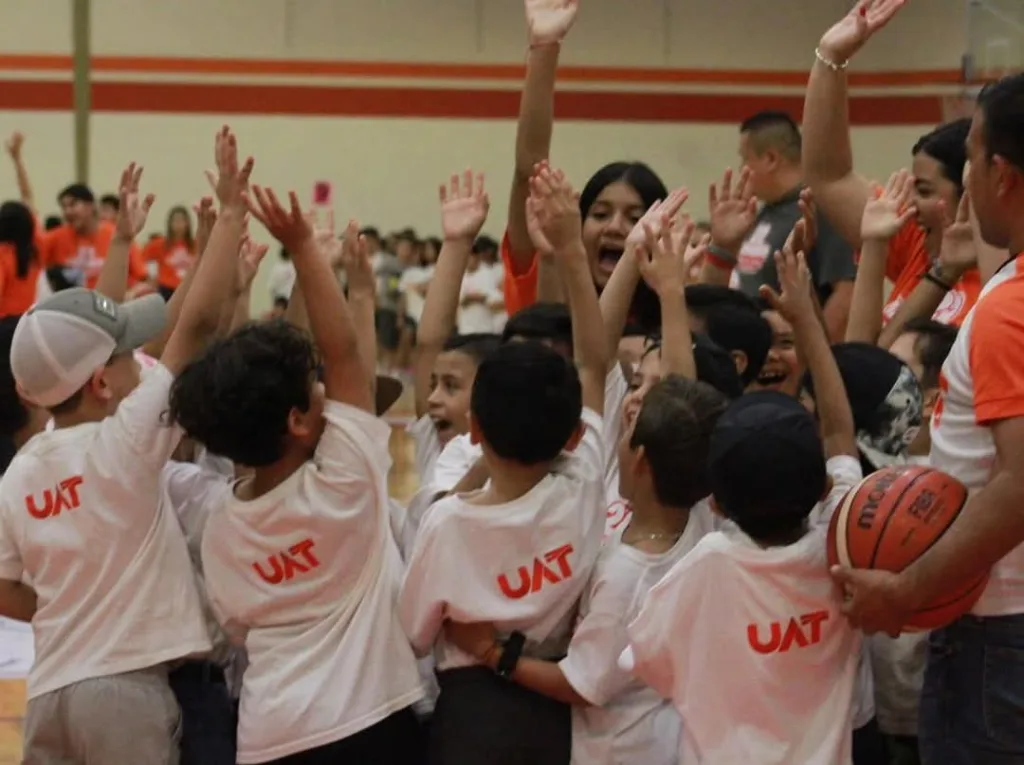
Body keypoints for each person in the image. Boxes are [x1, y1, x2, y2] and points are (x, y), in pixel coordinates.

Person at [0, 127, 252, 764]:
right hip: (126, 688)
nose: (140, 359)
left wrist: (63, 604)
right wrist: (230, 216)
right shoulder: (127, 437)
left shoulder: (21, 470)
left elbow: (2, 587)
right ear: (101, 382)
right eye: (125, 354)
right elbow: (194, 326)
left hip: (50, 690)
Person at [168, 185, 424, 764]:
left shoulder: (216, 522)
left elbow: (236, 628)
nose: (325, 388)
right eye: (314, 387)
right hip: (371, 723)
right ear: (299, 420)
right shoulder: (345, 483)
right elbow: (346, 355)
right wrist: (305, 248)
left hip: (269, 735)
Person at [833, 70, 1024, 764]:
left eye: (969, 156)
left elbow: (1020, 482)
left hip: (1000, 626)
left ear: (1000, 172)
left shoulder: (1008, 309)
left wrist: (906, 588)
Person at [399, 165, 608, 764]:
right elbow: (593, 365)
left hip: (474, 710)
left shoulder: (447, 521)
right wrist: (570, 250)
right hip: (555, 707)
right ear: (574, 434)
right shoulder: (585, 480)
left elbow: (414, 632)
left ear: (475, 430)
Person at [624, 246, 864, 764]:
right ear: (825, 485)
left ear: (715, 502)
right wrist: (807, 322)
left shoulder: (707, 562)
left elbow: (646, 662)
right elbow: (840, 433)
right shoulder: (843, 547)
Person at [701, 111, 857, 339]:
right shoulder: (763, 212)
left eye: (745, 159)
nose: (742, 168)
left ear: (770, 159)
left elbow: (846, 297)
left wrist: (817, 354)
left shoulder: (819, 208)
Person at [41, 183, 149, 290]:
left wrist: (130, 294)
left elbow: (143, 279)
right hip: (71, 299)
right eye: (64, 207)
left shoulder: (116, 236)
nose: (67, 212)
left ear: (90, 205)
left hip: (111, 298)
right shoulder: (56, 237)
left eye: (73, 205)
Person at [143, 205, 196, 300]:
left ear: (187, 223)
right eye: (176, 221)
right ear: (170, 223)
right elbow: (147, 258)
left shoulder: (195, 245)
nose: (179, 224)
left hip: (189, 287)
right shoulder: (159, 244)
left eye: (182, 221)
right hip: (166, 288)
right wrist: (152, 278)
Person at [0, 201, 42, 316]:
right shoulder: (34, 254)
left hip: (4, 320)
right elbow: (34, 222)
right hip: (26, 319)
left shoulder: (3, 254)